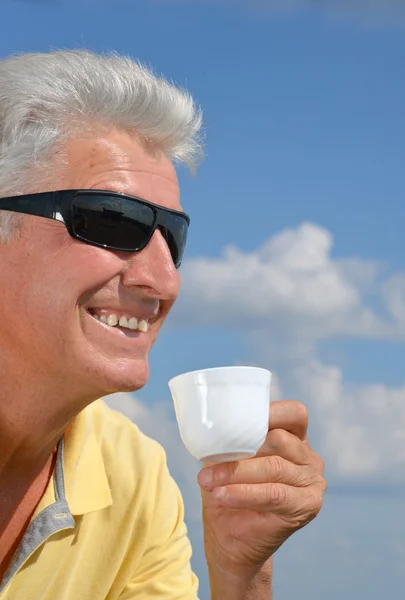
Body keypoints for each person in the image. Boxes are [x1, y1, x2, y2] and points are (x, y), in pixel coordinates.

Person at [0, 50, 326, 600]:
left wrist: (242, 572)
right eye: (112, 219)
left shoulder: (133, 476)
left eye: (172, 237)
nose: (164, 281)